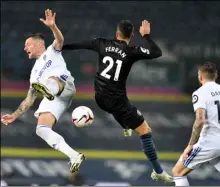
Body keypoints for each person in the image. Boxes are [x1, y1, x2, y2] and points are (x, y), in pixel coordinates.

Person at [62, 20, 173, 182]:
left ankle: (126, 125)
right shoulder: (131, 51)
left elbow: (77, 45)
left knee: (118, 107)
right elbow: (157, 53)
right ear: (132, 36)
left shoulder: (101, 43)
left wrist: (57, 48)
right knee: (146, 131)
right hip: (117, 102)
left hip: (99, 98)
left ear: (116, 34)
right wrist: (147, 36)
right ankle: (158, 171)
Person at [1, 9, 85, 173]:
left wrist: (53, 27)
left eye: (27, 45)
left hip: (64, 85)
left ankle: (48, 89)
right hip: (57, 100)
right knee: (41, 130)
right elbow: (29, 100)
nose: (25, 48)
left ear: (39, 44)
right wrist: (14, 115)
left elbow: (60, 40)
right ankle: (74, 155)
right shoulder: (33, 75)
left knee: (50, 80)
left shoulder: (51, 52)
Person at [172, 62, 220, 186]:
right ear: (216, 75)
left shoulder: (200, 93)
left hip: (209, 143)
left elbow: (200, 120)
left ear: (199, 77)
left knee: (177, 172)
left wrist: (190, 145)